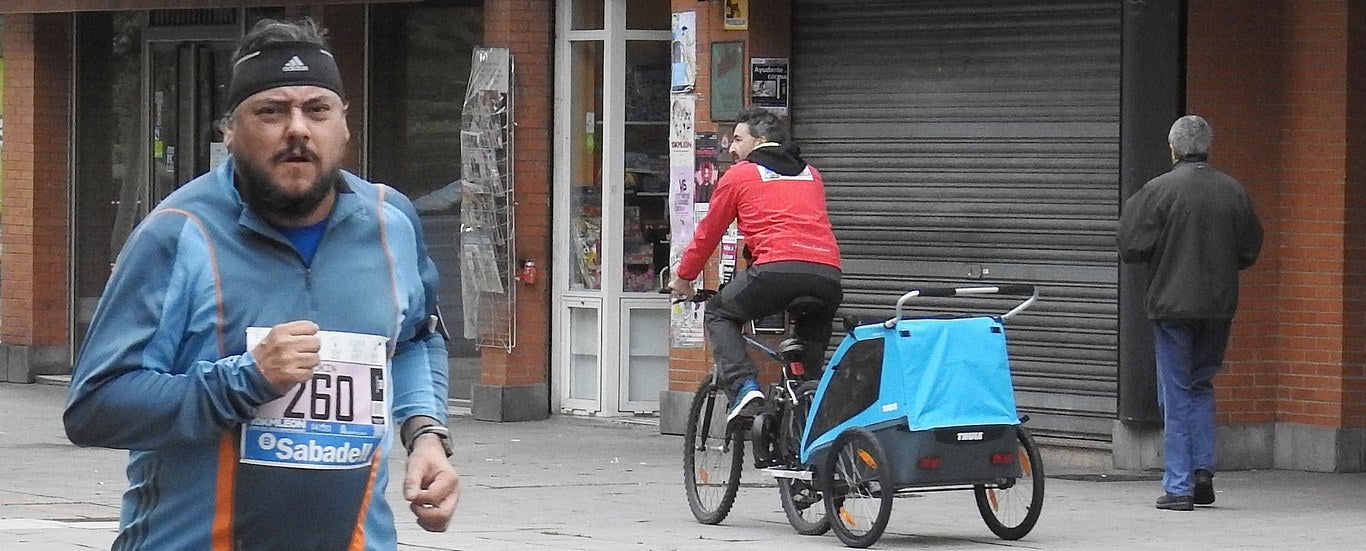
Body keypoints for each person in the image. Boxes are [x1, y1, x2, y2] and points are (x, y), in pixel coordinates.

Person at [63, 18, 459, 549]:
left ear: (345, 125)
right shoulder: (178, 234)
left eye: (317, 110)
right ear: (230, 129)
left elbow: (415, 338)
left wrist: (425, 434)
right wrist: (245, 381)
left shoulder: (391, 223)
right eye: (271, 111)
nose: (297, 129)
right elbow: (94, 408)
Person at [1117, 114, 1263, 512]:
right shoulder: (1232, 190)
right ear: (1208, 147)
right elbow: (1250, 249)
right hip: (1217, 306)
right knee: (1201, 384)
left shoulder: (1158, 191)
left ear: (1173, 148)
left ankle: (1178, 486)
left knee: (1176, 391)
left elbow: (1130, 245)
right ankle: (1202, 474)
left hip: (1171, 306)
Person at [668, 107, 842, 424]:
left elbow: (709, 233)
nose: (731, 148)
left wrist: (684, 277)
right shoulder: (811, 174)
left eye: (737, 139)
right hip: (826, 275)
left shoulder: (740, 175)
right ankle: (807, 430)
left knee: (720, 313)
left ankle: (745, 387)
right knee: (807, 369)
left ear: (759, 141)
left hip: (776, 271)